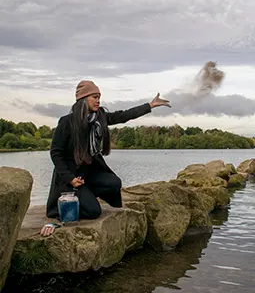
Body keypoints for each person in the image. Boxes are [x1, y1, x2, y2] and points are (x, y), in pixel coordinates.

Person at [40, 80, 170, 236]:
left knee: (114, 183)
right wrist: (69, 178)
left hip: (87, 175)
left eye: (99, 97)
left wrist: (150, 105)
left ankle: (85, 194)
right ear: (83, 99)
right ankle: (75, 201)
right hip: (71, 178)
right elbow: (56, 152)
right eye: (94, 97)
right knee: (94, 211)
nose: (98, 100)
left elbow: (122, 116)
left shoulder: (98, 118)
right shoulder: (66, 122)